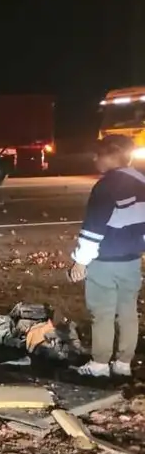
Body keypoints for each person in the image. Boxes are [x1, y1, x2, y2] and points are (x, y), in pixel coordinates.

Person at [67, 135, 145, 377]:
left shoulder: (106, 186)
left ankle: (100, 364)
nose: (94, 159)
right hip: (132, 260)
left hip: (104, 262)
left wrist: (80, 261)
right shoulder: (141, 180)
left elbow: (93, 229)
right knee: (128, 312)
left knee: (102, 313)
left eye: (98, 154)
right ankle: (123, 363)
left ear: (110, 156)